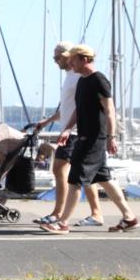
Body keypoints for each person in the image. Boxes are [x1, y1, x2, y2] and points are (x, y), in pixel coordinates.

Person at [40, 44, 139, 234]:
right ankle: (130, 217)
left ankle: (62, 223)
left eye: (73, 59)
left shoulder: (99, 80)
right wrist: (67, 128)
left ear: (85, 59)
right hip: (83, 136)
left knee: (75, 179)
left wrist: (111, 137)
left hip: (94, 139)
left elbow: (110, 111)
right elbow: (78, 109)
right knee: (104, 179)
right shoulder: (82, 81)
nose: (70, 62)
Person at [31, 41, 103, 227]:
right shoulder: (70, 77)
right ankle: (96, 213)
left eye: (57, 57)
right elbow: (67, 109)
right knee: (87, 175)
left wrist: (69, 129)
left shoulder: (77, 77)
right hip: (70, 131)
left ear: (68, 56)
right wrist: (47, 121)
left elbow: (81, 108)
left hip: (74, 133)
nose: (55, 61)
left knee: (60, 169)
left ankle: (58, 214)